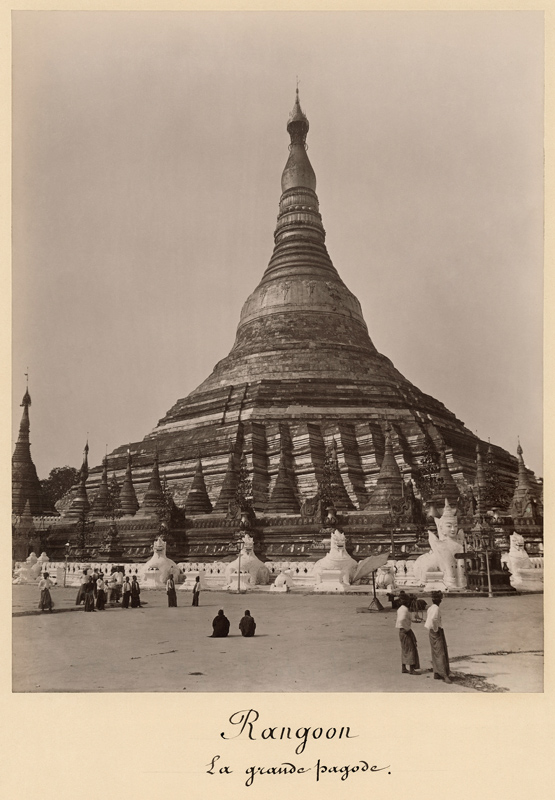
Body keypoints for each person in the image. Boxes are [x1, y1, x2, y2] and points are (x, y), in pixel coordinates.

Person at [424, 591, 452, 684]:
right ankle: (444, 674)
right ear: (439, 600)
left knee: (435, 651)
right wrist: (437, 630)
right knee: (440, 652)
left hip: (431, 631)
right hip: (436, 631)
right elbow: (434, 620)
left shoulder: (430, 608)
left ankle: (436, 672)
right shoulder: (436, 609)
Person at [395, 595, 419, 674]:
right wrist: (407, 628)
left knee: (405, 649)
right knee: (410, 649)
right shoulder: (405, 610)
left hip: (402, 631)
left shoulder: (401, 609)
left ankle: (404, 667)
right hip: (405, 631)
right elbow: (402, 619)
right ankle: (411, 669)